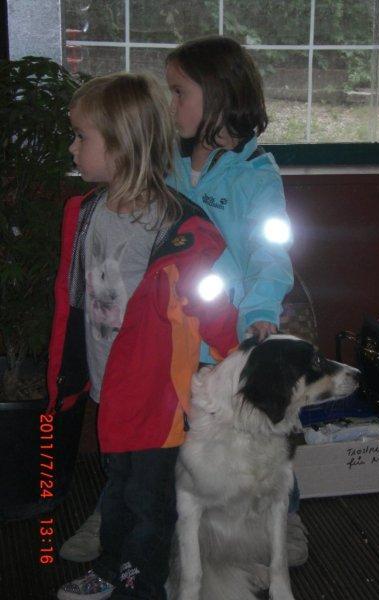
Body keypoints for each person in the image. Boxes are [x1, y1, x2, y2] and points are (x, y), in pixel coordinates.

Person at [61, 35, 308, 567]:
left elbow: (271, 253)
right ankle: (114, 510)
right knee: (150, 434)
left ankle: (284, 510)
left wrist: (259, 313)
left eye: (178, 92)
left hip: (225, 332)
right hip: (167, 333)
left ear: (219, 95)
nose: (168, 104)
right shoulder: (166, 166)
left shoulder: (257, 178)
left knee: (253, 427)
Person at [50, 72, 238, 600]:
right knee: (117, 487)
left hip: (157, 396)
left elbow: (207, 299)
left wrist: (232, 353)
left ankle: (142, 583)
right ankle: (113, 567)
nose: (73, 147)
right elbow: (73, 296)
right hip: (108, 385)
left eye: (81, 136)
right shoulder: (88, 213)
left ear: (121, 146)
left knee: (148, 500)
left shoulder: (172, 227)